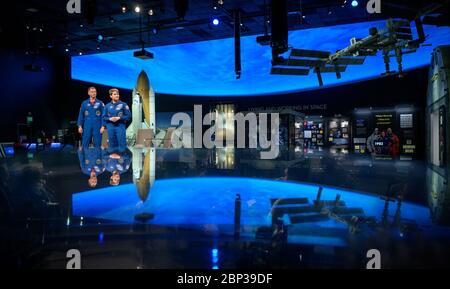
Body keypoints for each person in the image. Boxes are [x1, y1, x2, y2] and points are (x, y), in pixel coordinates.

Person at [102, 88, 131, 154]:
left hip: (120, 127)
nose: (117, 95)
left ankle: (121, 161)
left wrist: (119, 118)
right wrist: (110, 119)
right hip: (110, 127)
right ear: (111, 96)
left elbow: (128, 116)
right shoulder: (107, 106)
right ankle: (113, 162)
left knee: (122, 145)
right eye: (115, 94)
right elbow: (103, 117)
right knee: (111, 145)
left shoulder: (123, 105)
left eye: (118, 94)